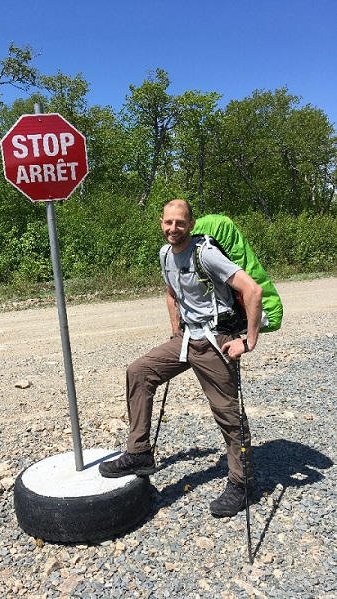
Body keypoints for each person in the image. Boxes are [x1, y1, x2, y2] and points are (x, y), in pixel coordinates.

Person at [99, 199, 263, 517]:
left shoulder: (206, 254)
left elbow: (252, 291)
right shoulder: (165, 255)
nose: (173, 228)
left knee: (228, 415)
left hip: (217, 341)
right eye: (168, 222)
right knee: (139, 372)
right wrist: (176, 329)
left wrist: (248, 341)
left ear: (191, 224)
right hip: (188, 339)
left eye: (180, 223)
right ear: (161, 222)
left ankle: (242, 484)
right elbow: (172, 292)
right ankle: (139, 453)